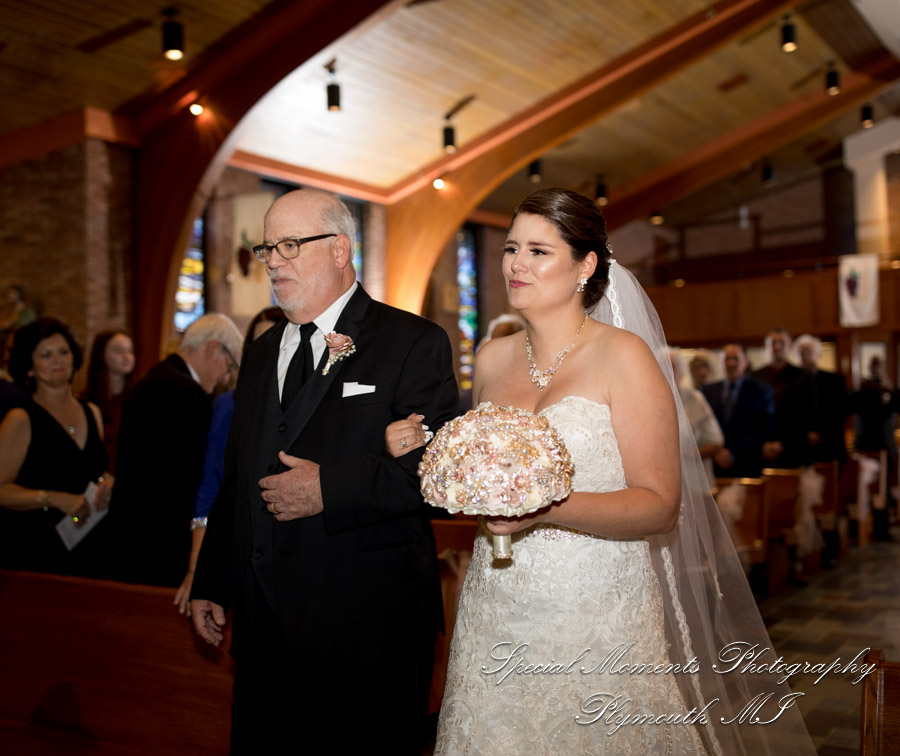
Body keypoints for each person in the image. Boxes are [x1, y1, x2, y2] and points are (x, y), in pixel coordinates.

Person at [389, 189, 813, 754]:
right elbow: (486, 472)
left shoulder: (625, 357)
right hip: (498, 605)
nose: (516, 263)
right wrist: (426, 449)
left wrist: (543, 510)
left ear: (585, 266)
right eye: (511, 248)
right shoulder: (491, 358)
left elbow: (660, 503)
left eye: (539, 251)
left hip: (597, 610)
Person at [189, 189, 459, 754]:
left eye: (290, 245)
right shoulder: (262, 353)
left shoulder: (412, 342)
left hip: (366, 630)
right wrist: (214, 579)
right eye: (268, 248)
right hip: (265, 632)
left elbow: (437, 476)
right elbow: (238, 476)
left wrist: (327, 488)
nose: (273, 261)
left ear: (340, 249)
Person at [108, 313, 243, 587]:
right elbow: (193, 479)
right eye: (229, 366)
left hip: (130, 536)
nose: (225, 378)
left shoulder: (151, 379)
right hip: (162, 545)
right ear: (213, 349)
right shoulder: (188, 394)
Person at [174, 306, 283, 615]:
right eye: (259, 344)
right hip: (239, 553)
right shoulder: (229, 404)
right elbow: (210, 489)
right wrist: (198, 569)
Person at [0, 317, 114, 576]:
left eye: (63, 352)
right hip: (40, 551)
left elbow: (94, 469)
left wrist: (107, 481)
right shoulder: (21, 419)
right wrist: (51, 498)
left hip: (92, 544)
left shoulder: (91, 411)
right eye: (46, 355)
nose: (58, 360)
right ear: (29, 367)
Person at [703, 344, 774, 478]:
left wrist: (733, 453)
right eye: (727, 359)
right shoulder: (708, 391)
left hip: (747, 463)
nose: (731, 363)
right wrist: (716, 452)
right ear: (721, 363)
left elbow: (763, 429)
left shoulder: (761, 390)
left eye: (735, 358)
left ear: (745, 362)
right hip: (715, 466)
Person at [752, 328, 814, 467]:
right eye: (773, 342)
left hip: (794, 448)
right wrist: (763, 443)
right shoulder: (755, 377)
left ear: (790, 347)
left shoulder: (804, 377)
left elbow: (807, 415)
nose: (777, 347)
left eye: (782, 342)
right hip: (761, 450)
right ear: (766, 347)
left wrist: (783, 444)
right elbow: (751, 416)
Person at [81, 330, 136, 473]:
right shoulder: (87, 399)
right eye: (119, 351)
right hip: (97, 475)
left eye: (130, 351)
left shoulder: (138, 396)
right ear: (101, 354)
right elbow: (73, 430)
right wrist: (72, 430)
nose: (127, 356)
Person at [669, 347, 723, 489]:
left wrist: (681, 456)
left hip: (694, 483)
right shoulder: (647, 400)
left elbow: (716, 443)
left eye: (671, 367)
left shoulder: (694, 398)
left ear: (680, 372)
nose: (665, 371)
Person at [794, 334, 848, 465]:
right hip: (799, 447)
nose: (805, 356)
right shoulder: (791, 382)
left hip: (830, 444)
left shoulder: (835, 381)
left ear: (818, 354)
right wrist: (804, 434)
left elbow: (840, 412)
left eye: (809, 352)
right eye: (801, 353)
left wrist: (820, 433)